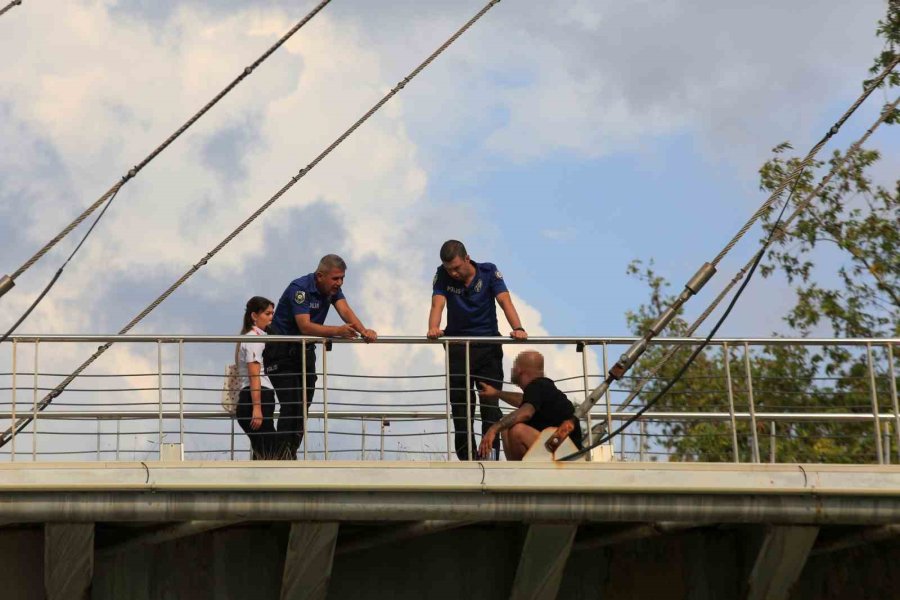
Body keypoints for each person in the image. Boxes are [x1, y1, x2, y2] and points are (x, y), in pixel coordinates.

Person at [268, 254, 377, 459]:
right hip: (282, 352)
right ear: (320, 276)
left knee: (303, 405)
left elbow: (345, 310)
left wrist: (364, 331)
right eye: (336, 278)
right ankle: (279, 456)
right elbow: (305, 326)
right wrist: (338, 330)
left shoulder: (331, 290)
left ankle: (288, 453)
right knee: (291, 403)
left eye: (342, 278)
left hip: (305, 352)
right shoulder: (299, 289)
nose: (340, 283)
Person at [427, 240, 527, 461]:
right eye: (448, 269)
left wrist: (517, 328)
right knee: (462, 408)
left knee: (490, 408)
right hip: (458, 349)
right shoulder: (442, 275)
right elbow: (437, 304)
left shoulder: (488, 271)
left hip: (488, 348)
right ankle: (467, 460)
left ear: (467, 258)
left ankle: (489, 459)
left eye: (456, 267)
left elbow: (504, 301)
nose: (452, 273)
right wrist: (433, 328)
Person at [476, 350, 583, 461]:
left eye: (514, 367)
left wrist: (493, 429)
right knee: (506, 428)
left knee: (517, 430)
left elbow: (526, 413)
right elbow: (522, 400)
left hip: (567, 454)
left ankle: (520, 471)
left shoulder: (537, 386)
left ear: (519, 370)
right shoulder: (543, 388)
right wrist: (496, 393)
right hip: (559, 448)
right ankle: (515, 467)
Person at [235, 296, 279, 459]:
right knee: (270, 449)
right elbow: (254, 375)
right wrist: (257, 408)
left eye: (272, 313)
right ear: (255, 316)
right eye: (267, 313)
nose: (271, 317)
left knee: (262, 449)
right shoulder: (254, 339)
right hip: (256, 397)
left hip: (253, 396)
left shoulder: (250, 337)